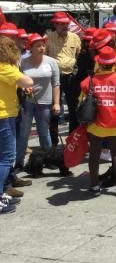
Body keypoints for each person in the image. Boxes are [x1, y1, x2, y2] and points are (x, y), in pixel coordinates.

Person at [82, 47, 116, 197]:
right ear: (114, 63)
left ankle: (94, 186)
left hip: (95, 124)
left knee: (94, 154)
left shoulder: (88, 81)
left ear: (98, 63)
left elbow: (81, 101)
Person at [15, 34, 61, 170]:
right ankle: (19, 162)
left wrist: (57, 103)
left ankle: (48, 159)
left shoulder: (52, 62)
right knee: (24, 134)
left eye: (43, 45)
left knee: (44, 132)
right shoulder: (22, 62)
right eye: (38, 46)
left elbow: (56, 84)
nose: (42, 48)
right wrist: (23, 87)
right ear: (30, 47)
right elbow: (17, 80)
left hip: (45, 103)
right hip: (27, 103)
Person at [0, 36, 33, 214]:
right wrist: (16, 65)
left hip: (5, 114)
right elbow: (28, 81)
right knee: (6, 158)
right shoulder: (5, 67)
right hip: (4, 115)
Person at [45, 11, 82, 142]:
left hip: (71, 77)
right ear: (55, 25)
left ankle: (72, 139)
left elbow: (78, 55)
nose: (65, 26)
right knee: (54, 109)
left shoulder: (75, 37)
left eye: (66, 24)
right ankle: (54, 141)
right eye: (61, 24)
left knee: (74, 109)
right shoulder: (48, 37)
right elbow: (43, 57)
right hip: (54, 78)